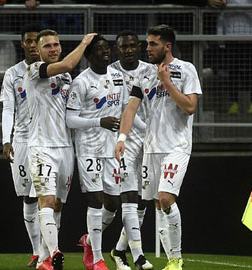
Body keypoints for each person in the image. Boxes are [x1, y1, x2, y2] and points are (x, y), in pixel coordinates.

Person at [115, 24, 202, 270]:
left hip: (177, 145)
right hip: (151, 148)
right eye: (148, 43)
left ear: (167, 46)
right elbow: (130, 109)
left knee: (166, 199)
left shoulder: (186, 69)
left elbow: (190, 107)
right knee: (156, 203)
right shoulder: (143, 75)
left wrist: (167, 82)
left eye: (153, 43)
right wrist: (122, 138)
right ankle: (168, 259)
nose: (148, 48)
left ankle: (176, 258)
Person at [22, 29, 96, 270]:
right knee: (46, 200)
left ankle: (45, 260)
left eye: (56, 45)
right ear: (38, 50)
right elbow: (67, 64)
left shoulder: (67, 78)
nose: (52, 49)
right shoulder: (34, 71)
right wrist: (84, 42)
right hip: (41, 147)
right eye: (47, 46)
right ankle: (54, 251)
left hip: (65, 148)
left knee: (58, 206)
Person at [64, 34, 135, 270]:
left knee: (113, 202)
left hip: (112, 148)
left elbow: (127, 111)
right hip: (88, 148)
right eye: (99, 49)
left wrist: (142, 132)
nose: (106, 52)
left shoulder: (118, 77)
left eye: (107, 48)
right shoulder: (81, 82)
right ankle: (97, 258)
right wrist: (98, 121)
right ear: (89, 56)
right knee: (95, 200)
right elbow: (70, 119)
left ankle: (89, 239)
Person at [108, 30, 154, 270]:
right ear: (117, 49)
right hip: (124, 139)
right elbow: (129, 109)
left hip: (150, 140)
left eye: (132, 46)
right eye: (123, 46)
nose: (128, 50)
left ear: (139, 47)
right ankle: (138, 255)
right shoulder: (111, 72)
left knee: (144, 200)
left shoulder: (149, 70)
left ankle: (118, 250)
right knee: (129, 195)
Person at [0, 23, 42, 268]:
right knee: (28, 198)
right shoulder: (13, 74)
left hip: (47, 141)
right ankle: (37, 251)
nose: (33, 45)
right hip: (22, 141)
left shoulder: (52, 70)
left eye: (38, 40)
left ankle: (49, 250)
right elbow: (8, 108)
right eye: (29, 41)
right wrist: (7, 139)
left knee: (48, 198)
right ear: (23, 44)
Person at [216, 0, 252, 115]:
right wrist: (220, 38)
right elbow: (221, 18)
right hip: (231, 39)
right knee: (233, 73)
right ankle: (233, 103)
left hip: (249, 39)